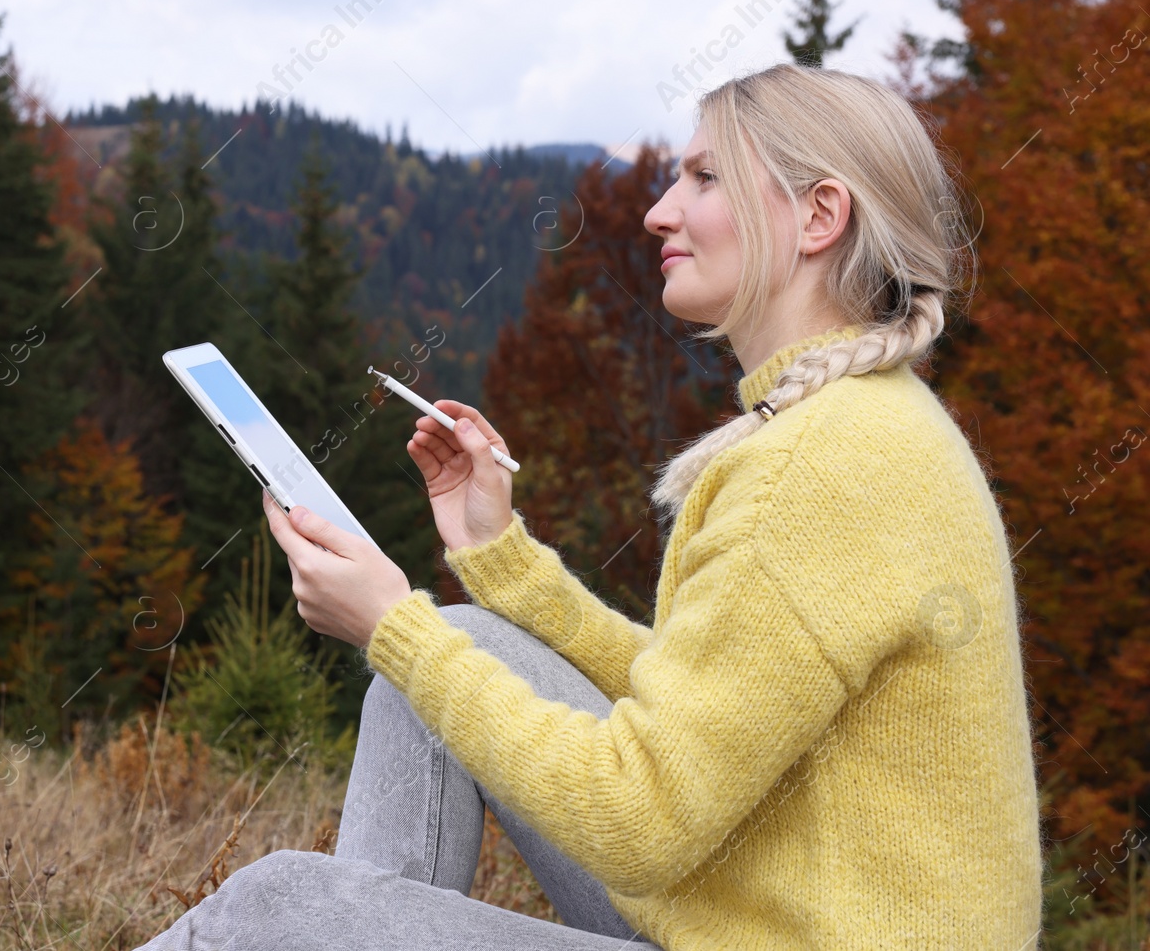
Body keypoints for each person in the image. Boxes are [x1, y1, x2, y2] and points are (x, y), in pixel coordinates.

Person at [135, 62, 1043, 950]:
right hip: (764, 920)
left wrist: (391, 627)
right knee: (466, 647)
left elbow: (637, 817)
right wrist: (504, 561)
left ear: (818, 216)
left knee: (278, 906)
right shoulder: (865, 423)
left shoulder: (817, 466)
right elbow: (709, 706)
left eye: (703, 176)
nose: (659, 210)